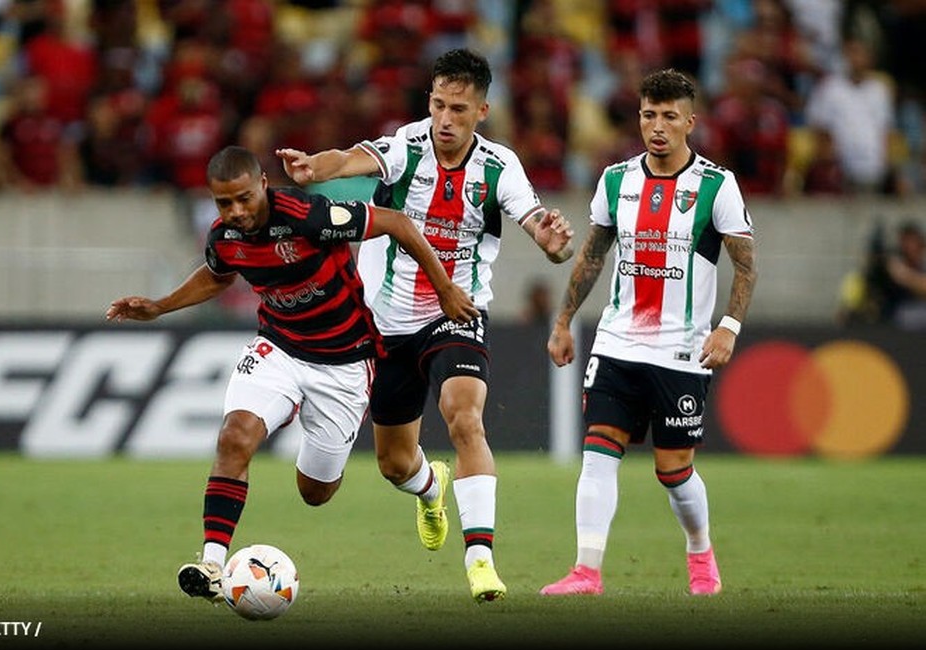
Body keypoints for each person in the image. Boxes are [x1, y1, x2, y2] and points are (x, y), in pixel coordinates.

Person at [105, 145, 477, 603]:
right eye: (225, 203)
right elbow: (220, 274)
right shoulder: (223, 236)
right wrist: (160, 306)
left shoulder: (307, 215)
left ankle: (428, 483)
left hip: (343, 361)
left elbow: (396, 223)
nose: (236, 211)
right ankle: (213, 566)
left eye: (244, 198)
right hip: (278, 348)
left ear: (263, 183)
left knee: (315, 492)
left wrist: (444, 289)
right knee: (234, 437)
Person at [276, 47, 574, 602]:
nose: (444, 119)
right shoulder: (407, 145)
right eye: (438, 104)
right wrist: (314, 167)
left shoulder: (499, 165)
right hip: (383, 325)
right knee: (393, 463)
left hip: (455, 313)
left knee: (464, 418)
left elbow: (538, 225)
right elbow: (348, 160)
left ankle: (481, 557)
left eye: (459, 109)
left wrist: (554, 245)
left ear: (482, 110)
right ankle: (429, 486)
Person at [538, 68, 757, 597]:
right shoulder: (615, 180)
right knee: (598, 451)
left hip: (681, 351)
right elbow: (592, 256)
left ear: (690, 122)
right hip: (617, 343)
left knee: (674, 472)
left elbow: (746, 265)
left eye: (669, 117)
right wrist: (564, 321)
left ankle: (701, 552)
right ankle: (586, 571)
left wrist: (727, 327)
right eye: (648, 115)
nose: (657, 127)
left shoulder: (715, 184)